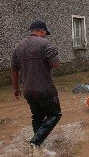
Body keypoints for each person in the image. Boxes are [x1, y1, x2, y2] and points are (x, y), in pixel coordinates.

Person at [11, 20, 62, 149]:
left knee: (37, 117)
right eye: (45, 33)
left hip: (28, 91)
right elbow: (55, 64)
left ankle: (38, 146)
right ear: (42, 31)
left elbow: (14, 70)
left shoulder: (18, 47)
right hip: (45, 89)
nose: (45, 35)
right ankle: (35, 142)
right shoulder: (46, 44)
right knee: (55, 114)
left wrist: (16, 89)